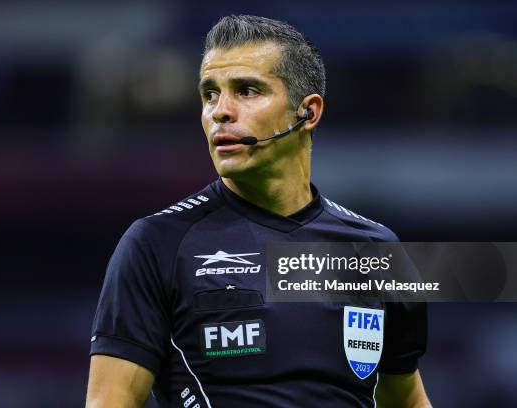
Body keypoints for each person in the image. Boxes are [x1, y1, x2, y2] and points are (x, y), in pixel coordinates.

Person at [86, 15, 430, 407]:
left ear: (308, 112)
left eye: (247, 90)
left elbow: (407, 400)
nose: (220, 112)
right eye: (210, 94)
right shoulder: (156, 243)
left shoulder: (377, 250)